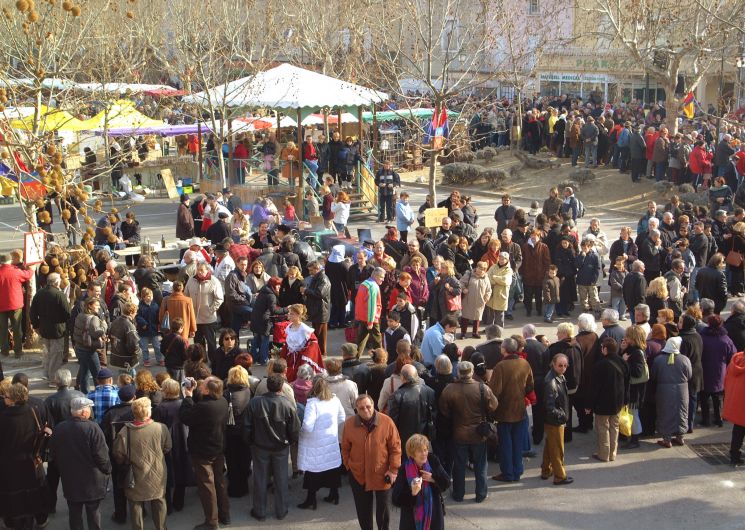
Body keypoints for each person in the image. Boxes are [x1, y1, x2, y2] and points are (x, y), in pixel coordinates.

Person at [49, 396, 112, 530]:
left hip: (70, 480)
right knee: (94, 513)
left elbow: (53, 454)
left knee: (74, 514)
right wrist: (108, 470)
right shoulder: (93, 428)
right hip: (92, 481)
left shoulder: (60, 428)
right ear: (84, 412)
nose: (90, 411)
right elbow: (102, 456)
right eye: (89, 408)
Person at [244, 374, 301, 521]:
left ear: (267, 386)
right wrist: (291, 441)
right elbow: (294, 429)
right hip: (280, 448)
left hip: (260, 446)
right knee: (281, 479)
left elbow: (247, 427)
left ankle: (260, 511)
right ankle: (281, 511)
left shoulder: (255, 403)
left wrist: (250, 441)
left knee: (260, 478)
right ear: (281, 387)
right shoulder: (287, 404)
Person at [439, 361, 497, 502]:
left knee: (459, 465)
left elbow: (444, 410)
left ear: (458, 372)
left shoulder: (450, 389)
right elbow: (493, 405)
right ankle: (481, 494)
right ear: (471, 372)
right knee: (480, 465)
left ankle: (458, 494)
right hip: (479, 433)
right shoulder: (482, 388)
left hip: (459, 433)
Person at [341, 394, 402, 530]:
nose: (366, 410)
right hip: (358, 474)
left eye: (368, 406)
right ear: (356, 409)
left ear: (373, 406)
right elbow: (345, 448)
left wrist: (393, 470)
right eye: (361, 408)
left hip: (383, 473)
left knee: (383, 510)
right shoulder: (349, 424)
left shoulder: (387, 422)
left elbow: (395, 448)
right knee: (363, 510)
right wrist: (348, 466)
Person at [179, 376, 231, 529]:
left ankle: (211, 522)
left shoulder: (203, 407)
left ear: (208, 390)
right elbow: (202, 404)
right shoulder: (222, 401)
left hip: (203, 452)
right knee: (220, 482)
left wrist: (188, 397)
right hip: (218, 447)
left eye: (204, 384)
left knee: (207, 486)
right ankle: (225, 515)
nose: (200, 384)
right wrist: (194, 391)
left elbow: (186, 417)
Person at [112, 397, 172, 530]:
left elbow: (118, 455)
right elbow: (167, 447)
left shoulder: (124, 432)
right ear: (148, 412)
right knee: (159, 500)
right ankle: (161, 527)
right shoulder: (161, 428)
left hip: (134, 475)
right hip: (157, 472)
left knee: (135, 504)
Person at [0, 382, 50, 528]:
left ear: (13, 399)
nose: (4, 398)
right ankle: (39, 519)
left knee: (12, 496)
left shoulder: (3, 418)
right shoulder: (32, 412)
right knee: (34, 492)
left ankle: (13, 523)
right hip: (31, 461)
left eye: (6, 396)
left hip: (9, 464)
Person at [297, 377, 346, 509]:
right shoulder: (335, 400)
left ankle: (311, 500)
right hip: (331, 440)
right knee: (332, 467)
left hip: (315, 442)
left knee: (313, 470)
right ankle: (334, 494)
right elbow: (342, 417)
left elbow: (307, 426)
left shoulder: (313, 404)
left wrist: (302, 433)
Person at [489, 337, 534, 483]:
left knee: (506, 445)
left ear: (504, 349)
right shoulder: (524, 363)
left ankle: (508, 473)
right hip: (520, 409)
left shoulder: (500, 367)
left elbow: (495, 391)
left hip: (504, 412)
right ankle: (517, 470)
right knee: (517, 443)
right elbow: (529, 386)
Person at [391, 434, 451, 530]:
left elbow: (447, 482)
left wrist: (433, 478)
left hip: (433, 514)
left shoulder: (432, 460)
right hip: (411, 519)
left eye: (425, 449)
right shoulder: (404, 468)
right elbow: (396, 499)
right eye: (420, 451)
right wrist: (413, 493)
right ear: (412, 453)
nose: (424, 453)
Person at [588, 338, 629, 462]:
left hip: (603, 403)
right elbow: (627, 384)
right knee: (614, 427)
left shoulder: (600, 365)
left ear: (605, 349)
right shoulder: (623, 363)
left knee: (603, 428)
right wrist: (625, 400)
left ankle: (604, 454)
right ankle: (613, 453)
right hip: (618, 402)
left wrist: (589, 405)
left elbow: (594, 388)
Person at [651, 337, 693, 448]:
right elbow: (689, 375)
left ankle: (667, 439)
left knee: (664, 411)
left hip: (663, 391)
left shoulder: (658, 360)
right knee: (682, 411)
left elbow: (654, 375)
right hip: (682, 390)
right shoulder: (685, 359)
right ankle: (680, 437)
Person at [30, 272, 71, 384]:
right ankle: (53, 379)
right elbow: (67, 313)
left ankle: (46, 373)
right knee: (56, 355)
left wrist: (36, 325)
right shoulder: (59, 295)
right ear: (57, 282)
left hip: (43, 329)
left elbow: (32, 312)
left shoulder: (39, 293)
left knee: (47, 353)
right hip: (57, 330)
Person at [541, 353, 573, 485]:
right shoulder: (551, 381)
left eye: (565, 365)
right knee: (558, 450)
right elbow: (550, 406)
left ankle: (546, 470)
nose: (563, 368)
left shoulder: (558, 376)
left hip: (554, 419)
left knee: (550, 445)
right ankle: (560, 476)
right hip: (554, 420)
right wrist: (562, 416)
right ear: (553, 364)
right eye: (560, 365)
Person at [700, 315, 736, 427]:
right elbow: (733, 355)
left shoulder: (702, 337)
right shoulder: (725, 339)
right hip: (720, 372)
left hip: (705, 370)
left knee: (704, 397)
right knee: (718, 397)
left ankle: (705, 419)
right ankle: (718, 418)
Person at [185, 261, 224, 366]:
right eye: (198, 270)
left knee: (211, 343)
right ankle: (201, 362)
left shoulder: (214, 281)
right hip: (195, 319)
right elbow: (186, 296)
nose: (199, 272)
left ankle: (214, 363)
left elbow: (219, 299)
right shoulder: (191, 280)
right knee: (198, 343)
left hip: (208, 319)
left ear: (207, 270)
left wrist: (210, 310)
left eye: (202, 270)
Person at [387, 364, 436, 447]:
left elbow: (392, 422)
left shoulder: (397, 396)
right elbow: (433, 415)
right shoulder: (429, 391)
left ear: (402, 377)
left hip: (405, 440)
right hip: (424, 436)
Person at [0, 253, 33, 358]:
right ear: (10, 261)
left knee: (2, 329)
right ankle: (18, 351)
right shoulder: (16, 272)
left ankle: (4, 351)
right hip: (15, 304)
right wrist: (31, 269)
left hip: (1, 306)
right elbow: (28, 274)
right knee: (16, 328)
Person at [302, 259, 332, 357]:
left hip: (321, 310)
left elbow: (320, 293)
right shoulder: (317, 277)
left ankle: (321, 354)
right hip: (317, 310)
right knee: (318, 334)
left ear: (317, 268)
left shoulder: (323, 278)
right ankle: (319, 353)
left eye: (311, 270)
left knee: (320, 335)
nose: (310, 273)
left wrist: (306, 291)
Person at [355, 267, 386, 355]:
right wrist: (370, 322)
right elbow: (372, 306)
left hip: (362, 317)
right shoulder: (373, 286)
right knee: (378, 342)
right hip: (371, 318)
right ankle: (381, 360)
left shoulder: (364, 283)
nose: (383, 280)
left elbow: (357, 300)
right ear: (375, 276)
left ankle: (355, 359)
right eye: (381, 277)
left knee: (361, 340)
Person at [723, 350, 745, 466]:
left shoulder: (735, 358)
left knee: (738, 431)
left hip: (737, 404)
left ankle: (734, 455)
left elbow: (726, 379)